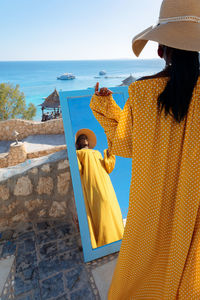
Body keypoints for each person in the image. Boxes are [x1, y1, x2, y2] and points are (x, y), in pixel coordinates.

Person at [90, 0, 200, 298]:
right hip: (195, 207)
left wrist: (104, 106)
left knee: (146, 268)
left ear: (161, 49)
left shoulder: (140, 92)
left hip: (151, 202)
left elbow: (125, 146)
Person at [75, 128, 124, 249]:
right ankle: (106, 242)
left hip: (106, 184)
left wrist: (109, 155)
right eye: (81, 138)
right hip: (91, 184)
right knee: (99, 210)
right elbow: (78, 171)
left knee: (111, 207)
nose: (84, 139)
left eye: (85, 137)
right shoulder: (77, 154)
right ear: (78, 143)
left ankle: (119, 237)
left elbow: (108, 167)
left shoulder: (97, 153)